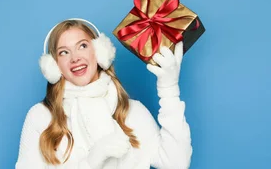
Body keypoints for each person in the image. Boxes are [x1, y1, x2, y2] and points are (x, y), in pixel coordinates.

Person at [15, 18, 192, 169]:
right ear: (54, 66)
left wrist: (169, 89)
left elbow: (176, 163)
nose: (75, 57)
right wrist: (91, 162)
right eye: (64, 52)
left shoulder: (132, 111)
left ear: (100, 53)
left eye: (82, 46)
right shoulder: (40, 116)